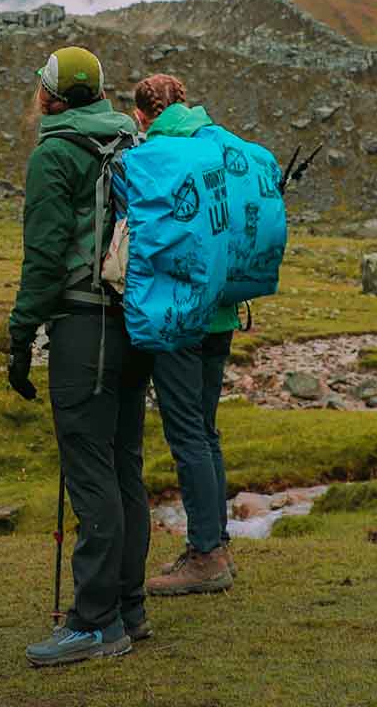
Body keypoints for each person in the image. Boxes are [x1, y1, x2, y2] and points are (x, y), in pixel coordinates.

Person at [7, 46, 152, 667]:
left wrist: (20, 335)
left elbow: (44, 256)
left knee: (89, 473)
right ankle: (129, 606)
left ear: (54, 97)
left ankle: (96, 624)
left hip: (82, 327)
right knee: (123, 466)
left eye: (42, 86)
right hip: (133, 323)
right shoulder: (130, 141)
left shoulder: (55, 153)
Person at [132, 75, 238, 596]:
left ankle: (206, 557)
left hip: (179, 318)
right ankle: (215, 541)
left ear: (142, 116)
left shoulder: (157, 155)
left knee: (187, 435)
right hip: (221, 313)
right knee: (207, 430)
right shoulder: (214, 143)